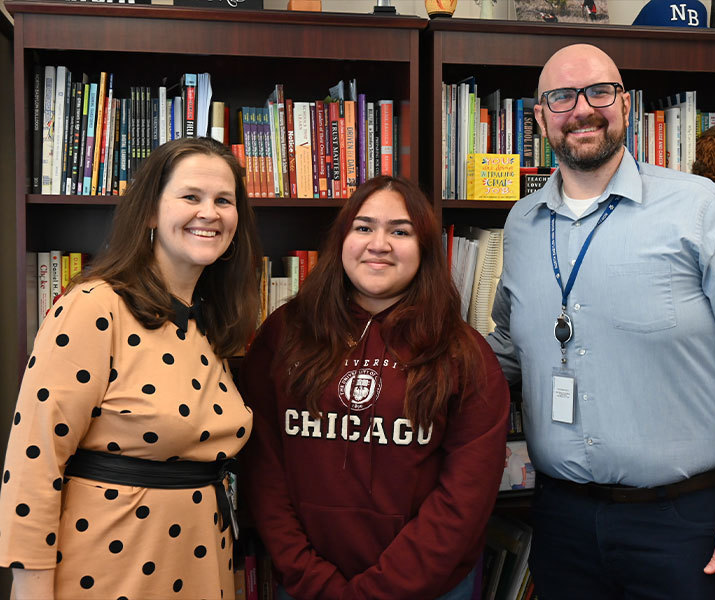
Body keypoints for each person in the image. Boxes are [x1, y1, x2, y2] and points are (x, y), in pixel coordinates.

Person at [487, 43, 715, 600]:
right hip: (562, 522)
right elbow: (514, 348)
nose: (581, 109)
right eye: (561, 96)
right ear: (539, 117)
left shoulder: (701, 209)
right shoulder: (523, 225)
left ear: (625, 105)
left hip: (688, 526)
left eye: (599, 91)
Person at [0, 136, 261, 599]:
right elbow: (33, 463)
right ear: (150, 213)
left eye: (224, 200)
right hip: (111, 570)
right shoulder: (93, 307)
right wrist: (30, 589)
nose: (210, 213)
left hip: (202, 564)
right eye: (190, 197)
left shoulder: (208, 320)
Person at [241, 175, 510, 600]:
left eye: (399, 231)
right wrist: (311, 577)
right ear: (341, 240)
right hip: (308, 586)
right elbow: (263, 468)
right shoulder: (285, 332)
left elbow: (466, 497)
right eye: (363, 227)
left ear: (424, 248)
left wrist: (377, 592)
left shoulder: (463, 352)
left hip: (428, 587)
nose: (378, 243)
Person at [632, 0, 708, 27]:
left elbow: (631, 38)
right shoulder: (700, 7)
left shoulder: (652, 6)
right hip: (695, 60)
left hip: (659, 59)